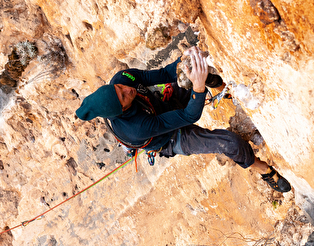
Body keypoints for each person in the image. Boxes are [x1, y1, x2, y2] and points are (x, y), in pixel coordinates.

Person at [76, 47, 291, 193]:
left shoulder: (122, 79)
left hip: (162, 107)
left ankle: (229, 92)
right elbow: (188, 116)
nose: (127, 89)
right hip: (169, 138)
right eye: (123, 96)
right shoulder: (135, 129)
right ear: (120, 110)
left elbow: (161, 74)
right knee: (230, 143)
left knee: (197, 72)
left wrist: (182, 62)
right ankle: (264, 170)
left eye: (119, 88)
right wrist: (197, 87)